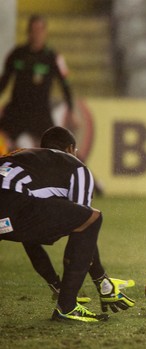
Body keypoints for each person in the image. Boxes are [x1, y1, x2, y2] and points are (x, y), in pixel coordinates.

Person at [0, 127, 133, 322]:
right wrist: (101, 280)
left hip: (13, 209)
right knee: (92, 217)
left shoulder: (24, 157)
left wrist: (55, 283)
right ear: (71, 148)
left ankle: (65, 299)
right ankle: (67, 307)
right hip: (13, 205)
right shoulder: (75, 166)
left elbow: (29, 235)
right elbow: (84, 223)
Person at [0, 14, 76, 150]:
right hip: (17, 109)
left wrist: (71, 109)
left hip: (40, 111)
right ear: (28, 32)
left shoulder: (52, 56)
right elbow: (4, 81)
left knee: (54, 145)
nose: (37, 34)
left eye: (40, 30)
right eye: (34, 30)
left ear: (45, 32)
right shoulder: (17, 54)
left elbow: (65, 83)